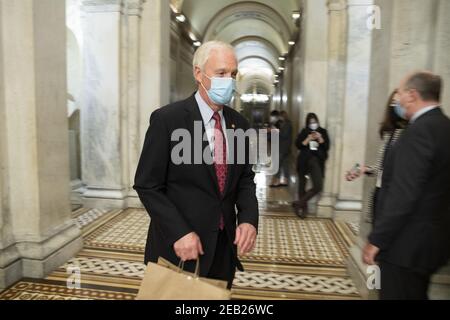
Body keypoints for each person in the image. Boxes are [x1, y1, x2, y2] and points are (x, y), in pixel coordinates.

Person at [133, 41, 259, 289]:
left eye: (233, 74)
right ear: (198, 73)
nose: (229, 81)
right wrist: (178, 231)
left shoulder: (240, 125)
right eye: (221, 73)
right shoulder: (167, 120)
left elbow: (245, 178)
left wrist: (248, 218)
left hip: (223, 249)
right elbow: (147, 185)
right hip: (179, 248)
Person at [363, 71, 450, 300]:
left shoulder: (417, 133)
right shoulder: (444, 127)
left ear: (412, 95)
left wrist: (376, 240)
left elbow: (404, 195)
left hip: (405, 247)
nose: (397, 99)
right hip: (431, 244)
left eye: (400, 93)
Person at [346, 90, 408, 224]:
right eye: (393, 103)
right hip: (379, 191)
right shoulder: (389, 133)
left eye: (398, 103)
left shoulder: (408, 133)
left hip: (393, 195)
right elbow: (383, 167)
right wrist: (364, 169)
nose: (395, 106)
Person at [293, 113, 330, 219]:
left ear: (317, 121)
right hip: (303, 161)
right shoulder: (304, 131)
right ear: (308, 123)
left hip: (316, 161)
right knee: (302, 185)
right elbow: (298, 145)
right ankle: (302, 209)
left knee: (318, 186)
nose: (313, 124)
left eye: (314, 122)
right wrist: (308, 139)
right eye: (310, 122)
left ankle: (299, 203)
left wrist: (320, 138)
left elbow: (326, 147)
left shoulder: (323, 132)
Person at [269, 110, 293, 187]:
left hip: (283, 148)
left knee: (277, 165)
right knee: (284, 165)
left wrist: (275, 130)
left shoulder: (288, 125)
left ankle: (276, 181)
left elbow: (284, 135)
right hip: (282, 147)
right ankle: (285, 181)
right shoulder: (281, 124)